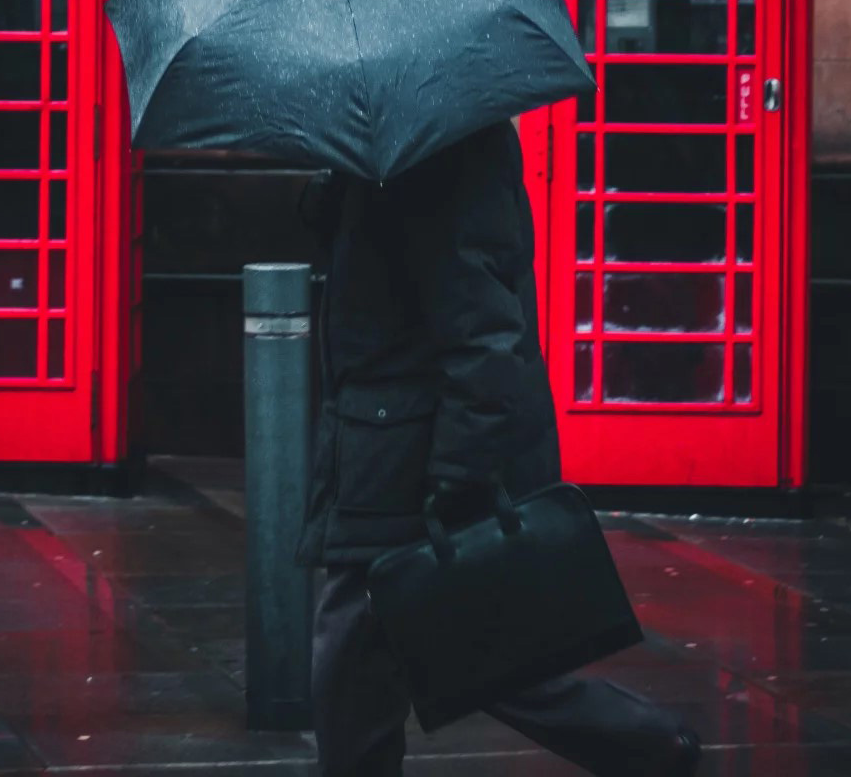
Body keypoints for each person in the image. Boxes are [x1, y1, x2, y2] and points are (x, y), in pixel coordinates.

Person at [296, 120, 700, 777]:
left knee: (358, 658)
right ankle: (651, 746)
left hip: (410, 455)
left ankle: (652, 745)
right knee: (476, 656)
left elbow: (484, 335)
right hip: (387, 443)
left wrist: (455, 477)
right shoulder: (391, 149)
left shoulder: (435, 150)